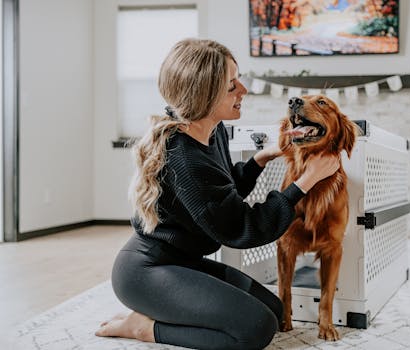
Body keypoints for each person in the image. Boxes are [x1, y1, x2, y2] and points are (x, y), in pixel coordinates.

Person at [95, 38, 340, 350]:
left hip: (184, 262)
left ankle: (170, 311)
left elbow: (221, 198)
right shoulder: (184, 157)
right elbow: (241, 228)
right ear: (205, 94)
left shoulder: (213, 131)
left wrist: (261, 158)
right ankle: (144, 328)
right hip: (147, 272)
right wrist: (305, 182)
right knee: (255, 329)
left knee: (275, 312)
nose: (243, 90)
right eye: (231, 85)